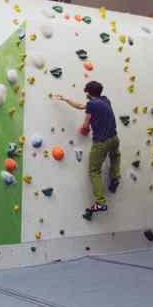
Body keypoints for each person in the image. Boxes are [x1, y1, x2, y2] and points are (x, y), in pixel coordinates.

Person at [52, 81, 120, 213]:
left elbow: (85, 125)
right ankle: (115, 177)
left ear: (89, 93)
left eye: (86, 92)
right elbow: (82, 106)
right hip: (114, 138)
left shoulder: (92, 104)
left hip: (101, 142)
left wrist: (84, 129)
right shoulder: (105, 100)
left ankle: (100, 202)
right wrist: (66, 99)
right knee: (115, 156)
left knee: (94, 171)